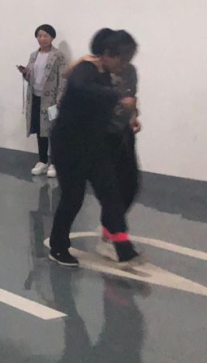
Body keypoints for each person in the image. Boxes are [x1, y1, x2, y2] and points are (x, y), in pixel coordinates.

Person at [48, 29, 141, 268]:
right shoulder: (87, 69)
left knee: (110, 193)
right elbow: (79, 87)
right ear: (107, 54)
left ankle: (123, 249)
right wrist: (117, 97)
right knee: (73, 197)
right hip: (68, 144)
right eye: (121, 59)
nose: (124, 65)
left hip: (94, 144)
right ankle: (58, 246)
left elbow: (113, 106)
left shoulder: (109, 75)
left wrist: (129, 113)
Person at [18, 24, 67, 178]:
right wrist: (25, 73)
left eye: (46, 35)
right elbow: (31, 76)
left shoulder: (58, 56)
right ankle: (42, 160)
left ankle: (55, 163)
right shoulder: (34, 55)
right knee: (40, 130)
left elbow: (63, 78)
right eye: (39, 35)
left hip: (51, 99)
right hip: (35, 97)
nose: (42, 39)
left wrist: (60, 98)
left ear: (52, 38)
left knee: (53, 131)